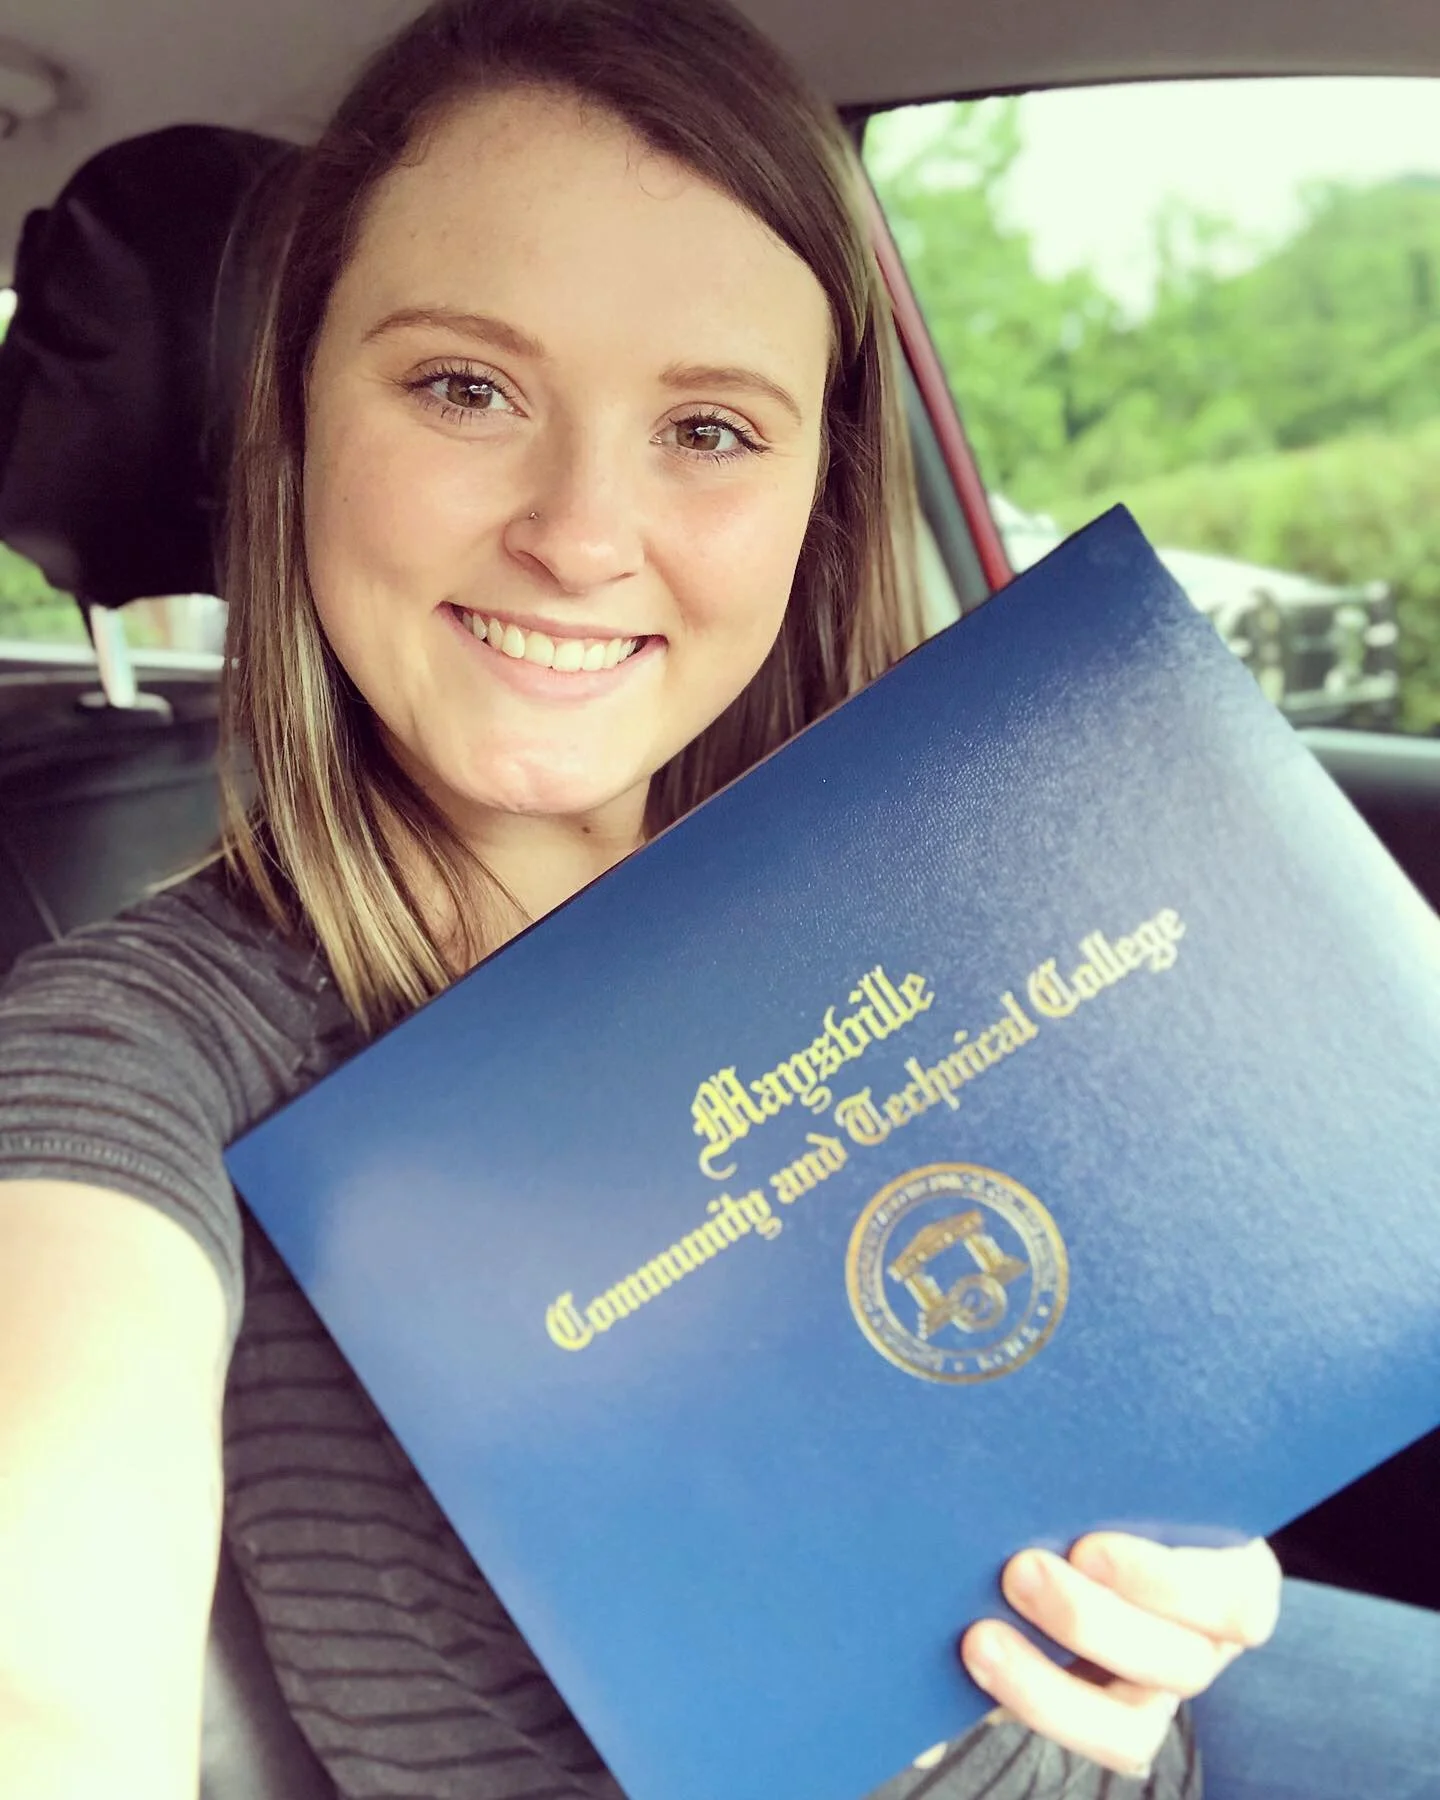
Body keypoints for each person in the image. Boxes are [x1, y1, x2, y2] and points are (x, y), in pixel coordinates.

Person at [0, 1, 1288, 1795]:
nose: (585, 530)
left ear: (816, 496)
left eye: (707, 427)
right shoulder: (129, 1050)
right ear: (295, 416)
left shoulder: (945, 920)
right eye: (467, 387)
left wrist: (1173, 1572)